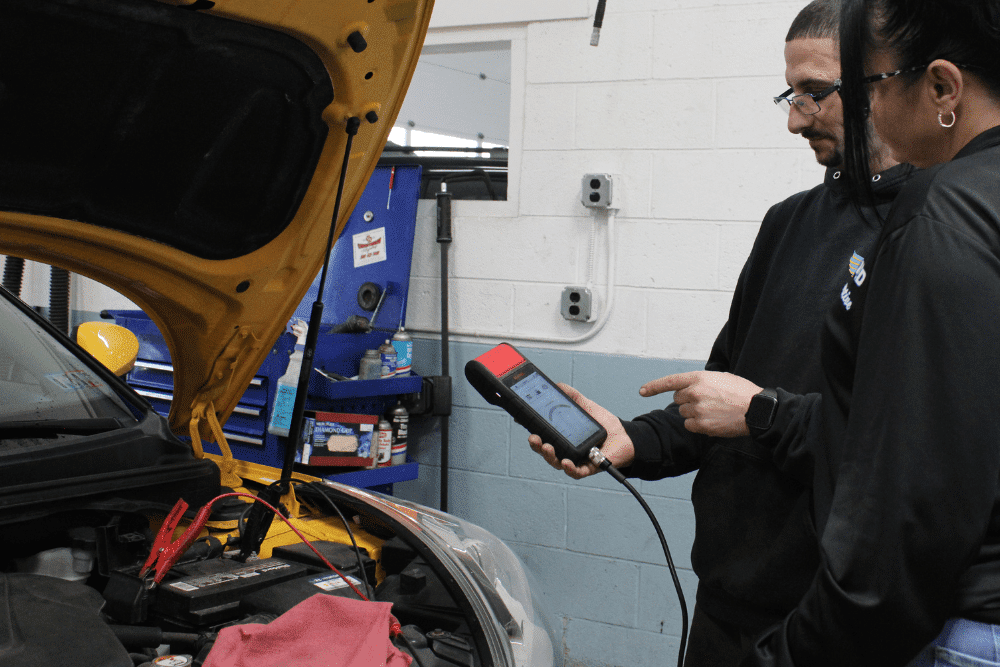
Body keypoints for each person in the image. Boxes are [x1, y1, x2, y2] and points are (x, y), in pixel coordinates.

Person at [529, 2, 915, 665]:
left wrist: (762, 414)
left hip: (832, 626)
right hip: (725, 607)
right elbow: (720, 398)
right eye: (788, 94)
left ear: (883, 79)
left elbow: (905, 449)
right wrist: (632, 440)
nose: (795, 118)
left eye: (814, 94)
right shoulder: (787, 224)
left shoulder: (930, 232)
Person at [743, 1, 1000, 665]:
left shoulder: (942, 214)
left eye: (869, 87)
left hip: (962, 629)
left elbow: (908, 514)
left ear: (943, 88)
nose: (866, 112)